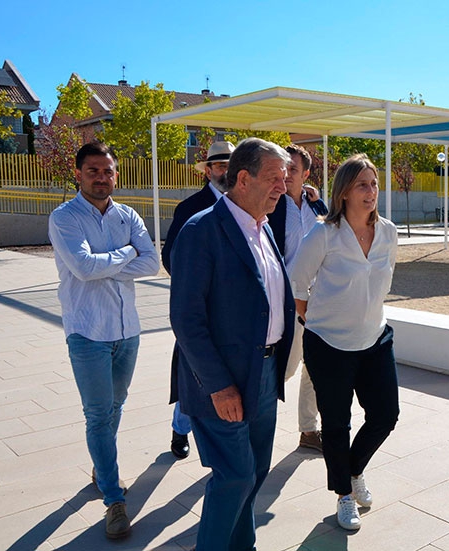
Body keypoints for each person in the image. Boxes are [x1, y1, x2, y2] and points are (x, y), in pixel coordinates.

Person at [169, 138, 295, 551]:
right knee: (235, 475)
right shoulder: (201, 230)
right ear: (243, 178)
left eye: (287, 176)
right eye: (276, 177)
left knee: (254, 473)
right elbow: (187, 319)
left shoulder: (263, 227)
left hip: (264, 373)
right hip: (224, 382)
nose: (284, 185)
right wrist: (219, 386)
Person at [48, 142, 160, 539]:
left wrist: (107, 263)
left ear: (116, 174)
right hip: (87, 331)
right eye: (93, 170)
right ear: (79, 174)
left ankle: (102, 463)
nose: (102, 177)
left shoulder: (127, 214)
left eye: (108, 171)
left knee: (116, 406)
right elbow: (81, 267)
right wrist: (127, 252)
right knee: (98, 415)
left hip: (127, 330)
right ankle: (113, 499)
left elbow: (152, 262)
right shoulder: (65, 217)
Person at [289, 153, 399, 531]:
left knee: (386, 416)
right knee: (336, 425)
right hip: (328, 344)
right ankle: (344, 495)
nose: (371, 192)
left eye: (374, 184)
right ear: (344, 193)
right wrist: (311, 320)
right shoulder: (324, 233)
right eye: (362, 185)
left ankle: (352, 471)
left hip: (374, 338)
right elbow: (296, 282)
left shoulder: (388, 232)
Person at [161, 140, 235, 460]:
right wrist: (197, 288)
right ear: (207, 171)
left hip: (236, 315)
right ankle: (181, 428)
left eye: (231, 166)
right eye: (220, 166)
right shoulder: (190, 208)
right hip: (202, 311)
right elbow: (170, 258)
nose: (226, 172)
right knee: (195, 373)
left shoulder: (246, 203)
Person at [268, 144, 328, 452]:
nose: (286, 175)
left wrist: (320, 202)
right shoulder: (272, 206)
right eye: (283, 168)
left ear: (305, 174)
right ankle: (258, 421)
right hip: (287, 302)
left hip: (319, 301)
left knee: (315, 367)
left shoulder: (315, 206)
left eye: (293, 169)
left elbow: (334, 227)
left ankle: (308, 430)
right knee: (285, 369)